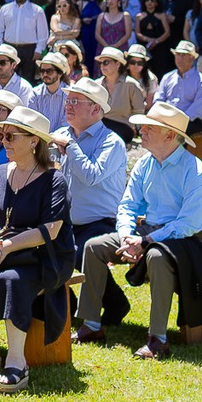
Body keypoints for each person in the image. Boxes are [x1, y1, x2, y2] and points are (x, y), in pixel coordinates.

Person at [73, 102, 202, 358]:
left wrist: (146, 241)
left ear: (170, 135)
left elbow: (188, 224)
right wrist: (129, 235)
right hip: (150, 233)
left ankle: (157, 339)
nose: (142, 130)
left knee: (157, 256)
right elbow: (127, 205)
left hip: (193, 239)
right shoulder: (145, 164)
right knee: (94, 247)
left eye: (150, 127)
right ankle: (92, 324)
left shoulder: (196, 171)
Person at [0, 106, 73, 392]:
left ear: (34, 141)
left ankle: (17, 362)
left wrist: (6, 246)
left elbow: (50, 230)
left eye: (11, 136)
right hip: (1, 249)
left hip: (42, 255)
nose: (4, 140)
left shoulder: (53, 179)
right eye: (2, 134)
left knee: (12, 282)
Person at [55, 78, 129, 273]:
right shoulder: (62, 134)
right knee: (45, 257)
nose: (68, 106)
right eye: (67, 100)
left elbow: (91, 176)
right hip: (67, 223)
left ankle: (116, 303)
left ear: (96, 109)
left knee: (80, 256)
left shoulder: (111, 142)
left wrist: (71, 147)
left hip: (100, 223)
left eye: (75, 101)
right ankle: (68, 303)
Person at [153, 40, 202, 134]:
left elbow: (196, 109)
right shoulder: (167, 77)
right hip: (167, 118)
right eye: (178, 54)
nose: (180, 58)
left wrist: (177, 120)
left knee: (177, 131)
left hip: (190, 121)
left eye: (184, 55)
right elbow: (159, 100)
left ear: (192, 58)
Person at [25, 51, 71, 133]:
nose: (45, 74)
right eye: (42, 71)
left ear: (60, 73)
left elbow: (67, 125)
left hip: (62, 141)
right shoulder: (35, 93)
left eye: (49, 71)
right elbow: (32, 121)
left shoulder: (69, 95)